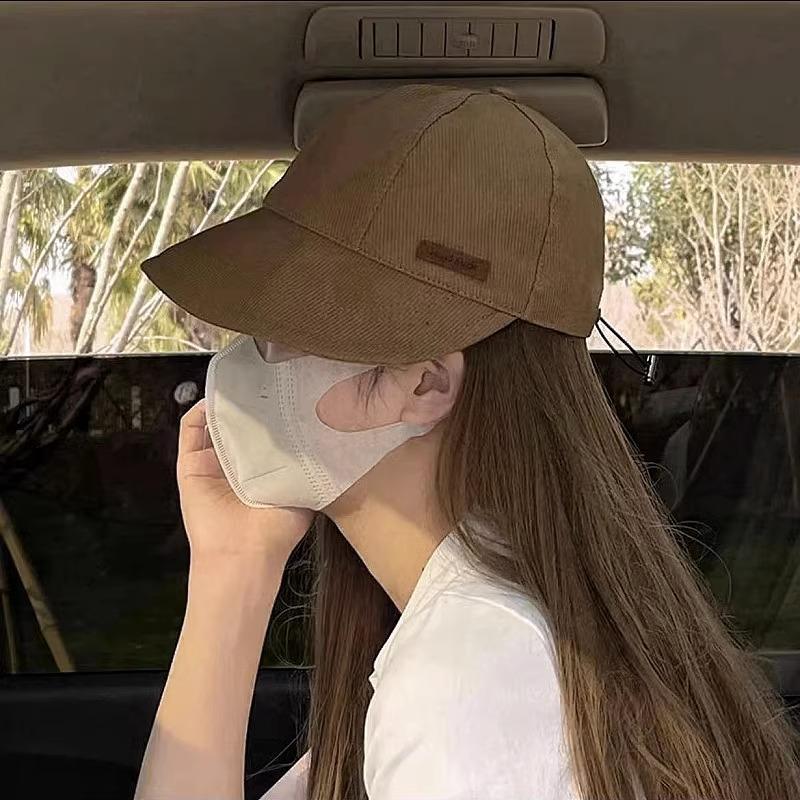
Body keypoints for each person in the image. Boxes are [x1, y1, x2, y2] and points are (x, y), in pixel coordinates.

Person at [133, 85, 800, 800]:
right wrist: (234, 567)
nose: (241, 356)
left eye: (283, 324)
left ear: (423, 385)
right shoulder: (489, 638)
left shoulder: (468, 689)